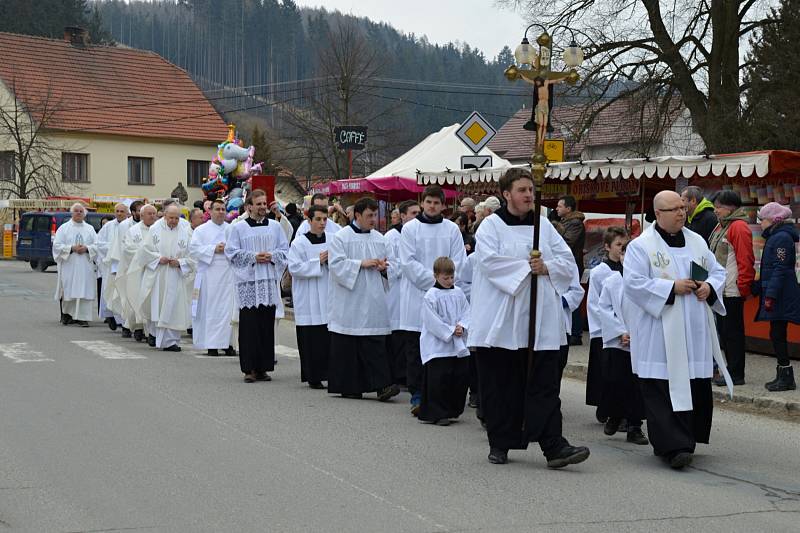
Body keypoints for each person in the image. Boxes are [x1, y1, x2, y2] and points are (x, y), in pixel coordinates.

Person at [470, 168, 590, 468]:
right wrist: (528, 267)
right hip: (503, 320)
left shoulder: (544, 227)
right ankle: (501, 443)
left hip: (540, 320)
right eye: (522, 190)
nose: (528, 196)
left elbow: (567, 261)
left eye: (531, 191)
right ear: (506, 194)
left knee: (545, 385)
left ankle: (554, 446)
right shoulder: (491, 227)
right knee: (502, 385)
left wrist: (547, 266)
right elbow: (490, 264)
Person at [624, 190, 729, 469]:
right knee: (662, 388)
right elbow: (633, 284)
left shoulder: (696, 241)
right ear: (658, 214)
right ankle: (673, 447)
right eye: (674, 209)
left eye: (683, 207)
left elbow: (718, 272)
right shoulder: (641, 246)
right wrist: (671, 287)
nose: (681, 212)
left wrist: (708, 286)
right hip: (660, 331)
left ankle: (688, 438)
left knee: (693, 384)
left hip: (693, 328)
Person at [399, 185, 467, 415]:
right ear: (422, 202)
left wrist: (444, 283)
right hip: (418, 295)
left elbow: (459, 259)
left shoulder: (452, 229)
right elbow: (407, 262)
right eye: (428, 202)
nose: (432, 206)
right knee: (417, 347)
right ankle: (417, 395)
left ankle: (441, 394)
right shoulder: (410, 229)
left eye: (436, 203)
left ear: (443, 205)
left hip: (446, 297)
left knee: (442, 349)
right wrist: (435, 283)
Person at [327, 197, 400, 401]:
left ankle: (383, 386)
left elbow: (394, 265)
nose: (373, 219)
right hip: (349, 299)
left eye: (375, 215)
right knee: (349, 344)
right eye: (369, 215)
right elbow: (336, 266)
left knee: (375, 343)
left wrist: (385, 269)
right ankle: (350, 386)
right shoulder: (341, 237)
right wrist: (361, 263)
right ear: (357, 215)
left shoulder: (381, 239)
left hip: (374, 298)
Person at [226, 190, 289, 383]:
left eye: (264, 203)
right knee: (249, 327)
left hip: (268, 281)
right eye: (259, 204)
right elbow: (231, 252)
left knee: (265, 326)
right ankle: (249, 369)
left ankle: (263, 367)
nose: (263, 207)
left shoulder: (275, 227)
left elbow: (284, 250)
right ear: (249, 207)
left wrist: (272, 256)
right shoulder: (239, 228)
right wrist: (253, 257)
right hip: (249, 282)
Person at [595, 232, 649, 446]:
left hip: (640, 341)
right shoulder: (613, 281)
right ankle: (615, 415)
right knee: (616, 382)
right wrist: (619, 332)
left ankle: (635, 426)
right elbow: (604, 308)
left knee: (637, 385)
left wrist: (637, 334)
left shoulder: (647, 282)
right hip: (619, 342)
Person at [708, 191, 755, 386]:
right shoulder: (722, 226)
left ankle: (736, 374)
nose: (716, 211)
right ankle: (731, 369)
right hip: (721, 289)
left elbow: (746, 260)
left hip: (732, 290)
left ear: (730, 208)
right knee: (726, 333)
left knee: (733, 333)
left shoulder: (738, 227)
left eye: (718, 207)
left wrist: (743, 287)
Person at [418, 257, 471, 426]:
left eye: (451, 277)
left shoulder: (459, 292)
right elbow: (432, 321)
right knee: (438, 380)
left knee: (458, 378)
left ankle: (452, 410)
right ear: (435, 276)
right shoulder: (431, 296)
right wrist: (450, 330)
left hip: (457, 344)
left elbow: (467, 311)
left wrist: (462, 326)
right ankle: (437, 413)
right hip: (438, 345)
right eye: (445, 278)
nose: (449, 281)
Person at [752, 202, 798, 392]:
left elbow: (780, 268)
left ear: (772, 220)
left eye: (762, 219)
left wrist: (769, 295)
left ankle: (786, 376)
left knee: (778, 334)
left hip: (780, 294)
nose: (760, 223)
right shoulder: (777, 236)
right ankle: (782, 373)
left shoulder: (781, 238)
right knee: (776, 333)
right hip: (777, 292)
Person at [585, 227, 628, 423]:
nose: (621, 249)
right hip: (604, 330)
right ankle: (604, 407)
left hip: (626, 331)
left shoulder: (629, 270)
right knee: (606, 373)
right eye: (618, 245)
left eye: (624, 245)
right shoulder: (600, 272)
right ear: (607, 246)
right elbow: (595, 304)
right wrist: (611, 328)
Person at [138, 205, 196, 352]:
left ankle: (170, 341)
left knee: (174, 307)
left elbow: (192, 255)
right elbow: (144, 251)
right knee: (157, 305)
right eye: (171, 217)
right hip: (159, 274)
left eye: (177, 218)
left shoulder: (185, 232)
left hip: (176, 275)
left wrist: (181, 262)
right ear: (164, 216)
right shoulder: (155, 229)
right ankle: (154, 334)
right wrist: (158, 258)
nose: (174, 221)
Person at [288, 205, 331, 389]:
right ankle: (313, 375)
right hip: (308, 295)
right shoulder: (299, 243)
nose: (322, 223)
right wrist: (317, 262)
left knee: (327, 336)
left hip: (327, 292)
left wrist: (330, 262)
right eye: (318, 219)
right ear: (309, 221)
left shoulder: (333, 240)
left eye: (325, 219)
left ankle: (329, 372)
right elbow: (294, 268)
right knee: (311, 338)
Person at [189, 199, 236, 357]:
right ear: (210, 212)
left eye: (223, 209)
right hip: (210, 275)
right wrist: (213, 248)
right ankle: (212, 345)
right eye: (218, 209)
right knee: (211, 309)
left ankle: (228, 344)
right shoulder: (201, 230)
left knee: (228, 310)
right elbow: (194, 250)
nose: (221, 212)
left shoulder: (232, 229)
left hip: (228, 274)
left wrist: (228, 249)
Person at [385, 200, 421, 386]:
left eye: (418, 212)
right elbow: (391, 264)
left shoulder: (421, 232)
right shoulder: (392, 236)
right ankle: (399, 374)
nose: (417, 216)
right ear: (402, 216)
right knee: (399, 334)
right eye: (413, 213)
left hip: (417, 288)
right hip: (398, 290)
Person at [53, 203, 98, 327]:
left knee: (84, 289)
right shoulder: (64, 228)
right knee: (68, 288)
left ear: (84, 214)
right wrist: (71, 248)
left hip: (85, 265)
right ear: (71, 213)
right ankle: (67, 315)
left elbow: (97, 245)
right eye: (76, 211)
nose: (78, 213)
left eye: (81, 211)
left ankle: (82, 317)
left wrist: (87, 248)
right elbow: (56, 245)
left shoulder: (90, 229)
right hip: (69, 264)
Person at [122, 204, 157, 343]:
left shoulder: (159, 229)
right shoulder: (133, 231)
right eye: (149, 213)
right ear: (141, 216)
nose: (152, 216)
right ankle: (137, 327)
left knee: (149, 299)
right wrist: (144, 255)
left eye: (154, 213)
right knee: (137, 297)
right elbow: (127, 249)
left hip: (153, 269)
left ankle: (149, 330)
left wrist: (152, 257)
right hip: (138, 270)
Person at [556, 195, 586, 345]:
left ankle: (576, 333)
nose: (556, 208)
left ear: (568, 209)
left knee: (573, 297)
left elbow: (568, 242)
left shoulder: (575, 224)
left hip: (572, 264)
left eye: (560, 206)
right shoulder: (566, 222)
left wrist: (555, 239)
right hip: (566, 263)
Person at [95, 203, 129, 330]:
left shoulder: (130, 226)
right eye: (117, 211)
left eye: (122, 211)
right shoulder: (108, 226)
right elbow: (99, 243)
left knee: (123, 293)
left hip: (125, 264)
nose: (119, 213)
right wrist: (114, 248)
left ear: (127, 213)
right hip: (111, 264)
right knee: (110, 290)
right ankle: (111, 316)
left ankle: (122, 319)